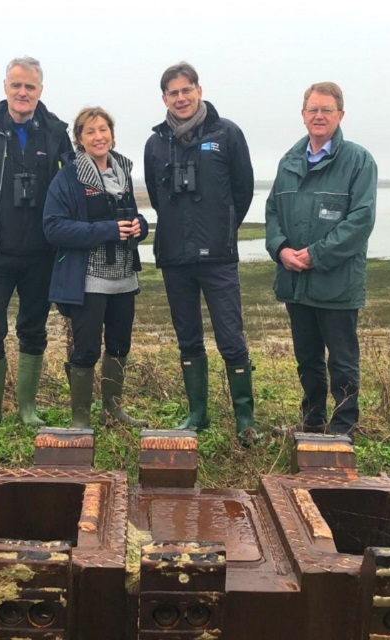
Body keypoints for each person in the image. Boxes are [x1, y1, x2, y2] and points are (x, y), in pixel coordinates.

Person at [143, 61, 259, 446]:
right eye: (173, 93)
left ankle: (245, 419)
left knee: (231, 338)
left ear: (199, 90)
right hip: (175, 256)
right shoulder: (156, 143)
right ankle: (198, 414)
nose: (180, 98)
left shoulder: (227, 134)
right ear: (164, 98)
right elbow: (159, 199)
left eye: (186, 90)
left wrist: (221, 228)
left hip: (218, 257)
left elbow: (242, 192)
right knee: (188, 338)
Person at [0, 56, 73, 427]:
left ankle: (27, 409)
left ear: (40, 90)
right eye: (16, 85)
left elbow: (70, 185)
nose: (23, 93)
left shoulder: (55, 133)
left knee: (32, 329)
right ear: (5, 86)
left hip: (40, 254)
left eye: (30, 86)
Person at [265, 82, 377, 437]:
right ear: (303, 115)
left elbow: (361, 220)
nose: (319, 116)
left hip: (336, 282)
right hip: (296, 281)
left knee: (342, 361)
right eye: (313, 109)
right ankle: (312, 421)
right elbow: (272, 212)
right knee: (307, 359)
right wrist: (280, 248)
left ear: (340, 115)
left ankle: (343, 427)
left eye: (327, 110)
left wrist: (316, 255)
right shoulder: (289, 161)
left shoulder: (359, 161)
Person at [43, 107, 149, 429]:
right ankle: (81, 418)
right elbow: (53, 228)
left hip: (124, 278)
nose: (98, 136)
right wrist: (107, 229)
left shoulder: (123, 172)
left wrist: (139, 227)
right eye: (90, 131)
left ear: (112, 135)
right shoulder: (68, 176)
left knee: (120, 344)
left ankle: (113, 410)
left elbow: (131, 217)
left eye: (103, 129)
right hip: (87, 280)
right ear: (79, 139)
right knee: (86, 350)